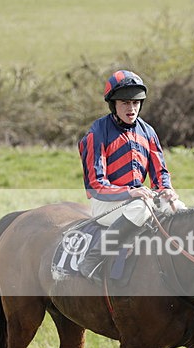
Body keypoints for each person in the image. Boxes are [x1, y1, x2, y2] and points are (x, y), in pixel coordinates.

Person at [77, 70, 185, 282]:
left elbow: (160, 172)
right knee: (141, 207)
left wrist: (167, 191)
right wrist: (130, 192)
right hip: (106, 203)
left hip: (137, 199)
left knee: (179, 209)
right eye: (125, 102)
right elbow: (95, 184)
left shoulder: (148, 132)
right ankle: (93, 258)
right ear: (113, 105)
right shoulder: (97, 132)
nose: (131, 108)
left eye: (136, 103)